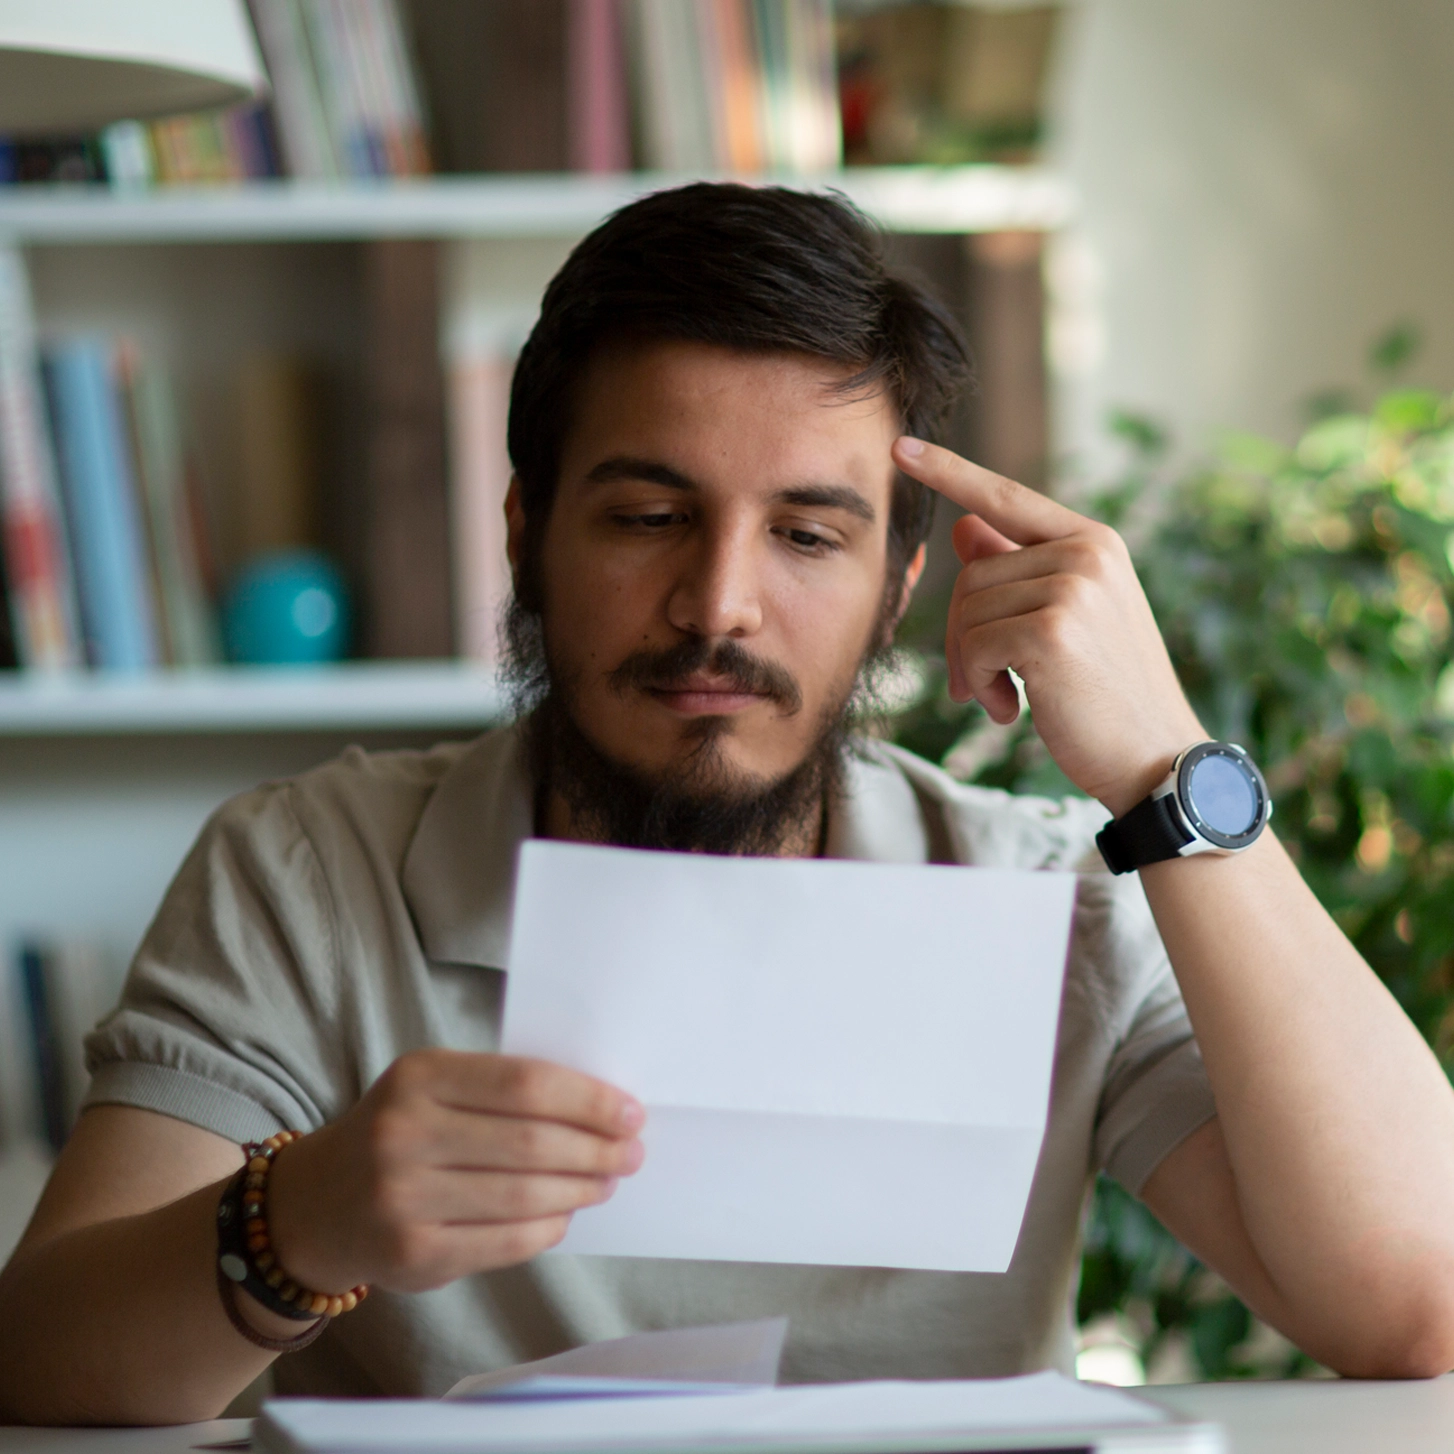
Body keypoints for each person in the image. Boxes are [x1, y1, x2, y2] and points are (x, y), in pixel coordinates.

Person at [2, 184, 1453, 1427]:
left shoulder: (1049, 894)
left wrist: (1167, 773)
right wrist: (299, 1218)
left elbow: (1419, 1309)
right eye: (646, 516)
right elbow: (44, 1363)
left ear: (899, 582)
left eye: (808, 534)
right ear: (525, 534)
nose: (716, 605)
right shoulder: (305, 869)